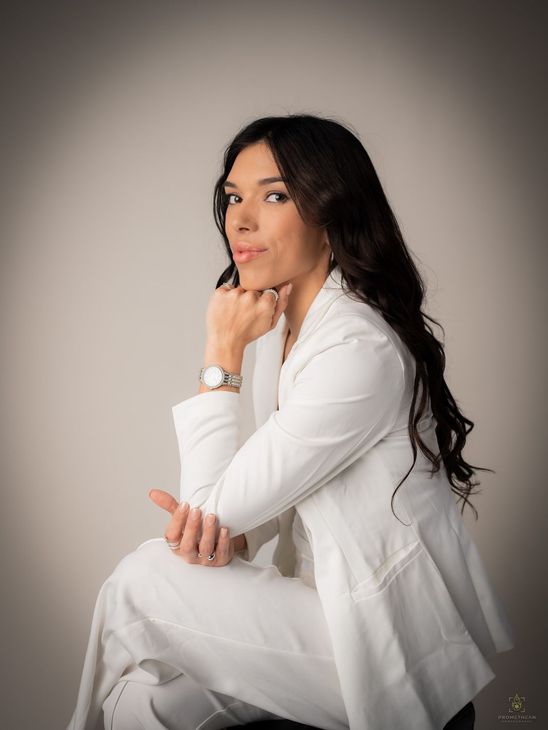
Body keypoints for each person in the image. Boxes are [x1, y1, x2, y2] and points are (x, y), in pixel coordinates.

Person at [66, 114, 514, 730]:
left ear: (332, 214)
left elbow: (209, 505)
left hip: (377, 640)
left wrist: (221, 351)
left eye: (274, 196)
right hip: (313, 614)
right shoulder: (291, 330)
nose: (239, 220)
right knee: (139, 704)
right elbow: (266, 497)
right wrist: (234, 536)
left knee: (143, 580)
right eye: (232, 197)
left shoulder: (357, 348)